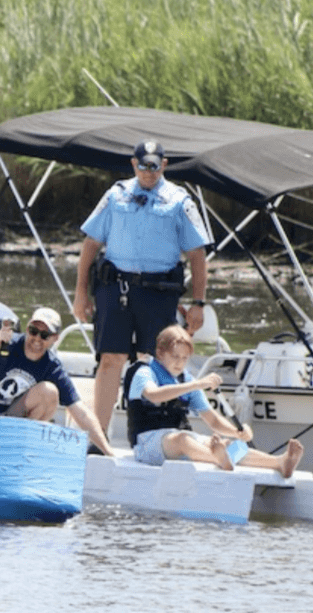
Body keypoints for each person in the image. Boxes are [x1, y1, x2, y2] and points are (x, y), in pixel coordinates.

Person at [72, 139, 211, 436]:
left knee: (160, 360)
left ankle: (160, 433)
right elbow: (91, 244)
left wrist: (199, 303)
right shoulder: (115, 195)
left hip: (159, 292)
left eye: (155, 165)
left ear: (164, 164)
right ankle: (99, 437)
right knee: (111, 358)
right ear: (133, 164)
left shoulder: (179, 201)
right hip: (116, 288)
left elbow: (197, 255)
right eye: (143, 165)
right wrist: (81, 293)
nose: (149, 172)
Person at [125, 325, 304, 476]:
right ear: (160, 353)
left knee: (230, 444)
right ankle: (217, 458)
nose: (179, 363)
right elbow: (153, 394)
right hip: (146, 444)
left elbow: (212, 420)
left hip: (179, 441)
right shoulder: (145, 372)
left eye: (185, 358)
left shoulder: (186, 379)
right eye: (175, 357)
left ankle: (279, 462)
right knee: (183, 440)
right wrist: (196, 385)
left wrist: (236, 432)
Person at [0, 307, 114, 455]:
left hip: (8, 422)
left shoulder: (51, 365)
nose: (37, 338)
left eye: (44, 335)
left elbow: (79, 410)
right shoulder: (4, 343)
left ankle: (15, 446)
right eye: (33, 331)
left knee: (49, 392)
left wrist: (107, 452)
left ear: (55, 339)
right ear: (27, 328)